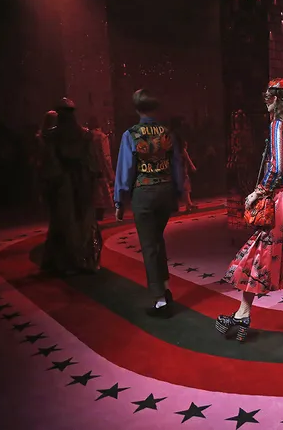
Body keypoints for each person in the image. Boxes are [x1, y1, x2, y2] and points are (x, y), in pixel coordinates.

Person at [215, 79, 283, 346]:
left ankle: (243, 314)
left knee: (259, 251)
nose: (265, 101)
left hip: (282, 198)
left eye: (268, 96)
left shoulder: (278, 125)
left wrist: (257, 192)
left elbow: (276, 167)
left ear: (276, 99)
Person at [114, 89, 183, 318]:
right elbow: (177, 165)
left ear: (136, 108)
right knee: (156, 240)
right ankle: (165, 287)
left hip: (143, 193)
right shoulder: (167, 133)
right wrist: (178, 192)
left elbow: (125, 169)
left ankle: (160, 301)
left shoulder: (131, 134)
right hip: (165, 191)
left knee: (150, 245)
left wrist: (119, 200)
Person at [40, 98, 103, 276]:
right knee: (77, 221)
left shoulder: (53, 137)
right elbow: (92, 163)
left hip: (67, 183)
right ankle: (82, 261)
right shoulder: (83, 135)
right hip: (74, 183)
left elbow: (50, 164)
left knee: (71, 221)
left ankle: (70, 262)